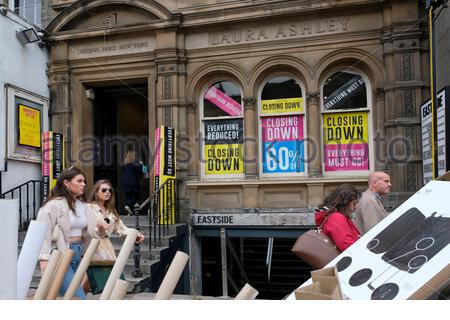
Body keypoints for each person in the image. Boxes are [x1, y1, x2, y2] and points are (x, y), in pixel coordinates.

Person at [36, 166, 107, 299]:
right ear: (66, 183)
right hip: (60, 254)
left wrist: (100, 230)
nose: (84, 184)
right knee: (78, 297)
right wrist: (44, 259)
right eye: (79, 181)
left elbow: (89, 233)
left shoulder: (83, 205)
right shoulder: (53, 205)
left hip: (78, 253)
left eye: (84, 181)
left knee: (70, 297)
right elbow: (43, 231)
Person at [83, 179, 144, 294]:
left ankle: (81, 298)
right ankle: (78, 298)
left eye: (110, 190)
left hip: (106, 247)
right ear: (96, 192)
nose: (107, 192)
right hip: (91, 244)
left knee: (104, 277)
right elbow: (83, 227)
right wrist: (98, 229)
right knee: (89, 276)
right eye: (104, 190)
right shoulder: (88, 208)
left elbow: (121, 228)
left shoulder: (111, 211)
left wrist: (136, 234)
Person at [315, 184, 362, 252]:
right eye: (354, 204)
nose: (355, 208)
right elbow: (347, 245)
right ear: (345, 202)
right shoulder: (337, 218)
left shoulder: (336, 216)